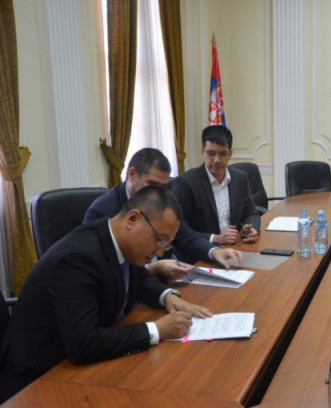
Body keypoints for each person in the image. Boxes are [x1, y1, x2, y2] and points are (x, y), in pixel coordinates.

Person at [0, 187, 212, 402]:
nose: (160, 252)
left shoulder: (115, 239)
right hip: (38, 379)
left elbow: (138, 279)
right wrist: (156, 329)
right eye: (160, 240)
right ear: (133, 219)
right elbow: (84, 343)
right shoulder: (77, 259)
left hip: (82, 365)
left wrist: (167, 296)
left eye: (166, 244)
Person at [84, 148, 242, 273]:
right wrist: (151, 269)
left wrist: (214, 251)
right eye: (152, 185)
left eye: (162, 187)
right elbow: (105, 269)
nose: (157, 193)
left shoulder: (163, 202)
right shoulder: (102, 211)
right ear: (132, 175)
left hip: (165, 282)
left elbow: (186, 236)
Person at [172, 125, 260, 245]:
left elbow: (251, 212)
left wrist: (250, 228)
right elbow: (180, 229)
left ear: (230, 154)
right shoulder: (186, 182)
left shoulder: (240, 178)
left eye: (223, 154)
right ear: (203, 152)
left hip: (235, 246)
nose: (217, 160)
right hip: (202, 249)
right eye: (211, 153)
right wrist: (215, 238)